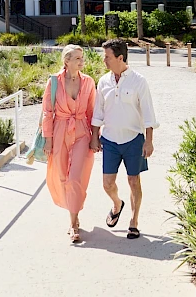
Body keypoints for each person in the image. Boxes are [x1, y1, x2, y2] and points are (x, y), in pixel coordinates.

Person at [90, 39, 159, 240]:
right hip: (109, 140)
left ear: (120, 58)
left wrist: (149, 140)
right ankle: (117, 204)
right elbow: (98, 112)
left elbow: (148, 113)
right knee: (107, 183)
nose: (104, 60)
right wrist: (95, 136)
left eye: (107, 57)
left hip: (133, 140)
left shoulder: (139, 81)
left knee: (133, 181)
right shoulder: (104, 81)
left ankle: (133, 222)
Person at [43, 44, 96, 243]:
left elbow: (93, 111)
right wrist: (48, 140)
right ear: (67, 61)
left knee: (75, 177)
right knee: (63, 176)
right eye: (77, 58)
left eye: (82, 58)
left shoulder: (89, 82)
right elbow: (48, 112)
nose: (82, 62)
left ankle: (73, 225)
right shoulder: (54, 82)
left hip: (82, 131)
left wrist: (95, 136)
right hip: (60, 132)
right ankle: (73, 215)